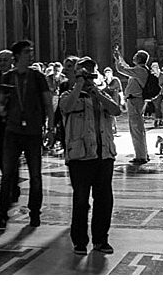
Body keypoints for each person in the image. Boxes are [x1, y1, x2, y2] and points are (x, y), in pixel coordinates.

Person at [60, 57, 122, 255]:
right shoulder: (69, 94)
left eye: (90, 74)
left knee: (104, 199)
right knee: (80, 200)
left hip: (104, 155)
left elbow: (116, 110)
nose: (87, 78)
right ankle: (79, 241)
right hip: (80, 156)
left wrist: (98, 93)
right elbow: (66, 107)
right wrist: (78, 84)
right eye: (83, 73)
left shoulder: (102, 94)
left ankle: (101, 239)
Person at [0, 40, 53, 229]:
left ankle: (35, 212)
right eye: (27, 52)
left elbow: (48, 104)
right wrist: (1, 108)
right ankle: (2, 214)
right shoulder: (8, 77)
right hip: (13, 131)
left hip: (33, 131)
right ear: (17, 55)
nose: (31, 55)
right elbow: (1, 103)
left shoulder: (38, 77)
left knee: (35, 175)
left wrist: (50, 129)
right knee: (7, 174)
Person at [115, 49, 151, 164]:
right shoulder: (139, 70)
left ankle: (141, 156)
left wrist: (116, 59)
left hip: (135, 100)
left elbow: (122, 69)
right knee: (137, 127)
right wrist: (120, 57)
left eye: (135, 55)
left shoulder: (140, 71)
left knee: (136, 128)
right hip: (135, 100)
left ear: (139, 59)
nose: (133, 57)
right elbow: (126, 67)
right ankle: (143, 153)